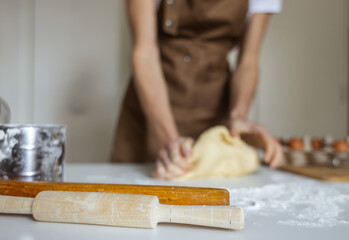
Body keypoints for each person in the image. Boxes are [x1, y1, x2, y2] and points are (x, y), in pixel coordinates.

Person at [112, 0, 283, 179]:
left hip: (214, 107)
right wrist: (170, 141)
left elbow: (248, 61)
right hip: (150, 108)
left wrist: (239, 115)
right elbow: (144, 53)